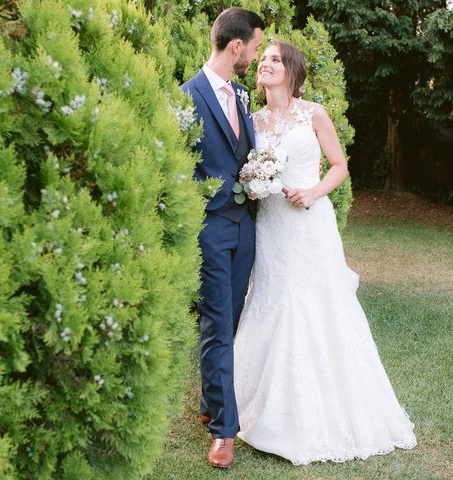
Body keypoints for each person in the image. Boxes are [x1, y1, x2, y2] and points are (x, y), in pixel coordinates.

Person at [233, 40, 417, 465]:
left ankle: (323, 411)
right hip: (271, 227)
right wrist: (254, 183)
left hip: (308, 225)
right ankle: (251, 408)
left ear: (292, 71)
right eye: (262, 60)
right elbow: (247, 170)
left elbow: (339, 165)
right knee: (271, 301)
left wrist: (313, 193)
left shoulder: (313, 113)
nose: (265, 65)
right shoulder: (252, 120)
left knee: (317, 306)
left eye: (275, 60)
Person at [181, 7, 265, 469]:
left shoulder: (242, 95)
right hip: (211, 229)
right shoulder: (186, 96)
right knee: (216, 321)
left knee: (228, 322)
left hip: (244, 227)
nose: (254, 56)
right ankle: (223, 432)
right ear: (236, 46)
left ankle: (212, 403)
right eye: (253, 48)